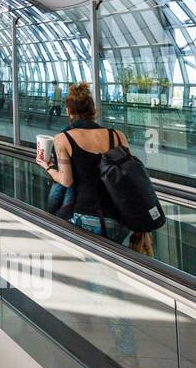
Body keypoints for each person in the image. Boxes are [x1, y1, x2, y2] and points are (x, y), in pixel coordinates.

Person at [36, 82, 152, 254]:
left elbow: (67, 181)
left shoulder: (63, 139)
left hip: (86, 215)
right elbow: (130, 172)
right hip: (119, 218)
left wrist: (48, 166)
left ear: (69, 111)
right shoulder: (116, 135)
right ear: (92, 110)